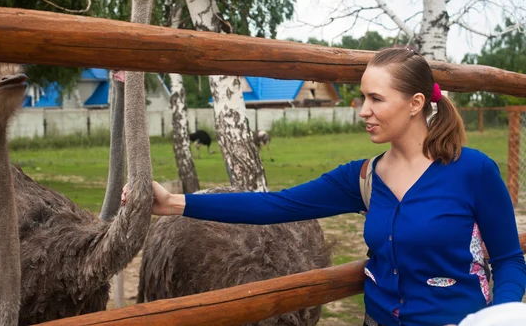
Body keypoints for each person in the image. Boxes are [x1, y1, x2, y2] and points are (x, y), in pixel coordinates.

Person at [123, 48, 526, 326]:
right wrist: (174, 203)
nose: (363, 111)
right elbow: (277, 206)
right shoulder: (364, 177)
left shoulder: (473, 171)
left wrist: (501, 316)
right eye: (362, 97)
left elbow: (509, 259)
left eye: (375, 99)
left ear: (416, 103)